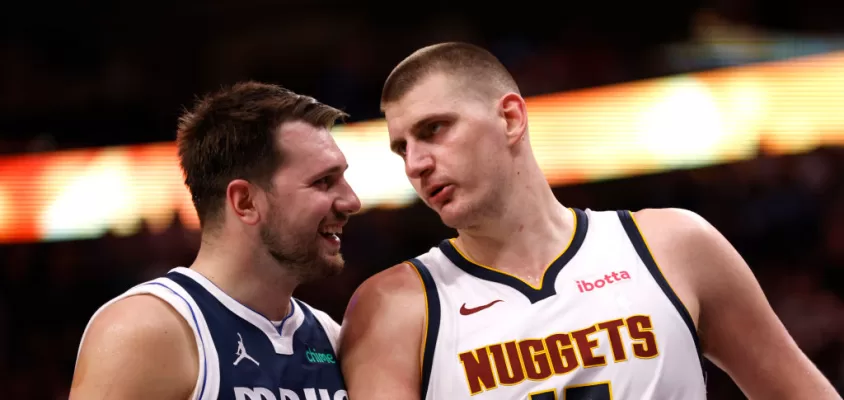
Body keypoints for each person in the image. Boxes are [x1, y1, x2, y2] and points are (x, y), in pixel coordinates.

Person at [338, 42, 840, 399]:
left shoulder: (675, 245)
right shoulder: (392, 307)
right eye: (403, 147)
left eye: (435, 130)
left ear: (510, 118)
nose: (416, 164)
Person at [70, 81, 361, 400]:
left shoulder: (331, 338)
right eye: (323, 182)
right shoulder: (145, 332)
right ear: (245, 202)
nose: (351, 201)